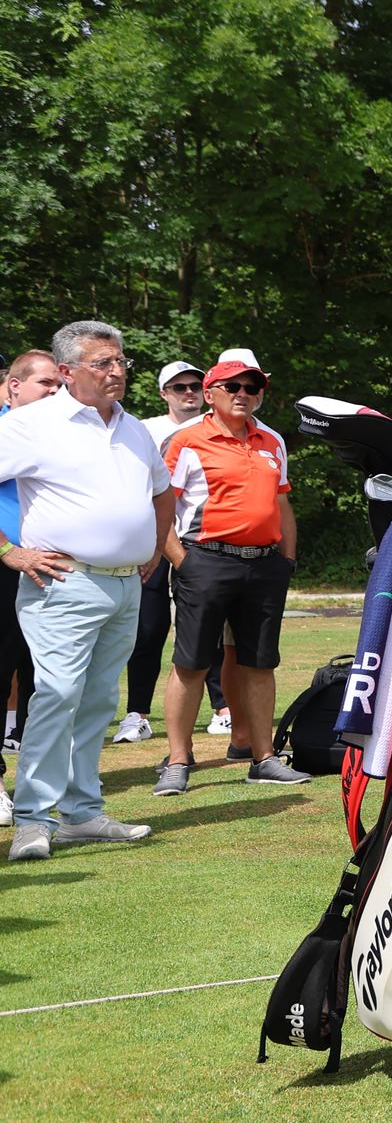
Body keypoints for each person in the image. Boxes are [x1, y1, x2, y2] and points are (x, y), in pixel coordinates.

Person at [0, 321, 169, 861]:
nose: (117, 371)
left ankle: (81, 812)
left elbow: (162, 491)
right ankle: (33, 818)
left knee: (97, 701)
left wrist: (154, 545)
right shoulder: (31, 424)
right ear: (67, 371)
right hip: (63, 581)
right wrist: (9, 551)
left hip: (124, 584)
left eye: (121, 362)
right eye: (103, 363)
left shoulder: (134, 427)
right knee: (56, 695)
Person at [153, 357, 311, 793]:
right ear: (209, 394)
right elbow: (160, 507)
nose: (243, 394)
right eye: (233, 386)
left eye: (251, 387)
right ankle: (178, 760)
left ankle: (264, 758)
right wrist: (182, 561)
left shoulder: (272, 440)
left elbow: (282, 503)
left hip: (264, 565)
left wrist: (286, 560)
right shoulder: (185, 439)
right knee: (191, 663)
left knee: (260, 664)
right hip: (205, 560)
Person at [115, 361, 219, 745]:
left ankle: (223, 710)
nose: (188, 392)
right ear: (164, 393)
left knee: (208, 626)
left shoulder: (219, 426)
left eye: (195, 385)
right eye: (179, 387)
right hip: (153, 538)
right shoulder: (143, 429)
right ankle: (137, 714)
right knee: (149, 628)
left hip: (201, 540)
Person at [0, 350, 64, 826]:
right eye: (45, 383)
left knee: (50, 679)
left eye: (59, 384)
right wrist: (7, 550)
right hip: (8, 566)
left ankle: (43, 785)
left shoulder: (68, 432)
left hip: (57, 569)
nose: (54, 392)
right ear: (14, 386)